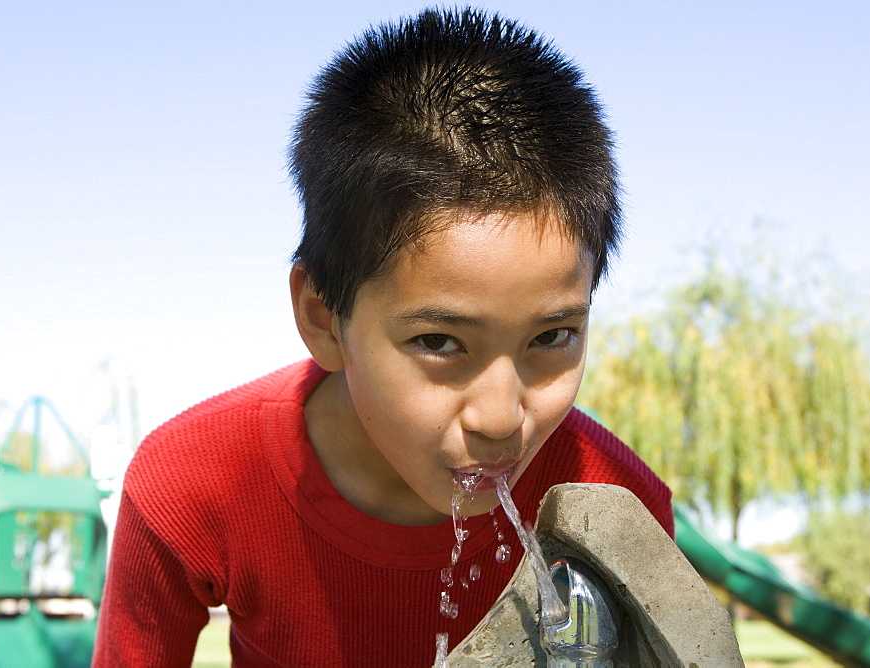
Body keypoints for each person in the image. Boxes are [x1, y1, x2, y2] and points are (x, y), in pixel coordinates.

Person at [93, 7, 673, 666]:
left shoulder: (612, 511)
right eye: (440, 343)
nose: (500, 418)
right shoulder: (194, 481)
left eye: (553, 337)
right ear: (322, 316)